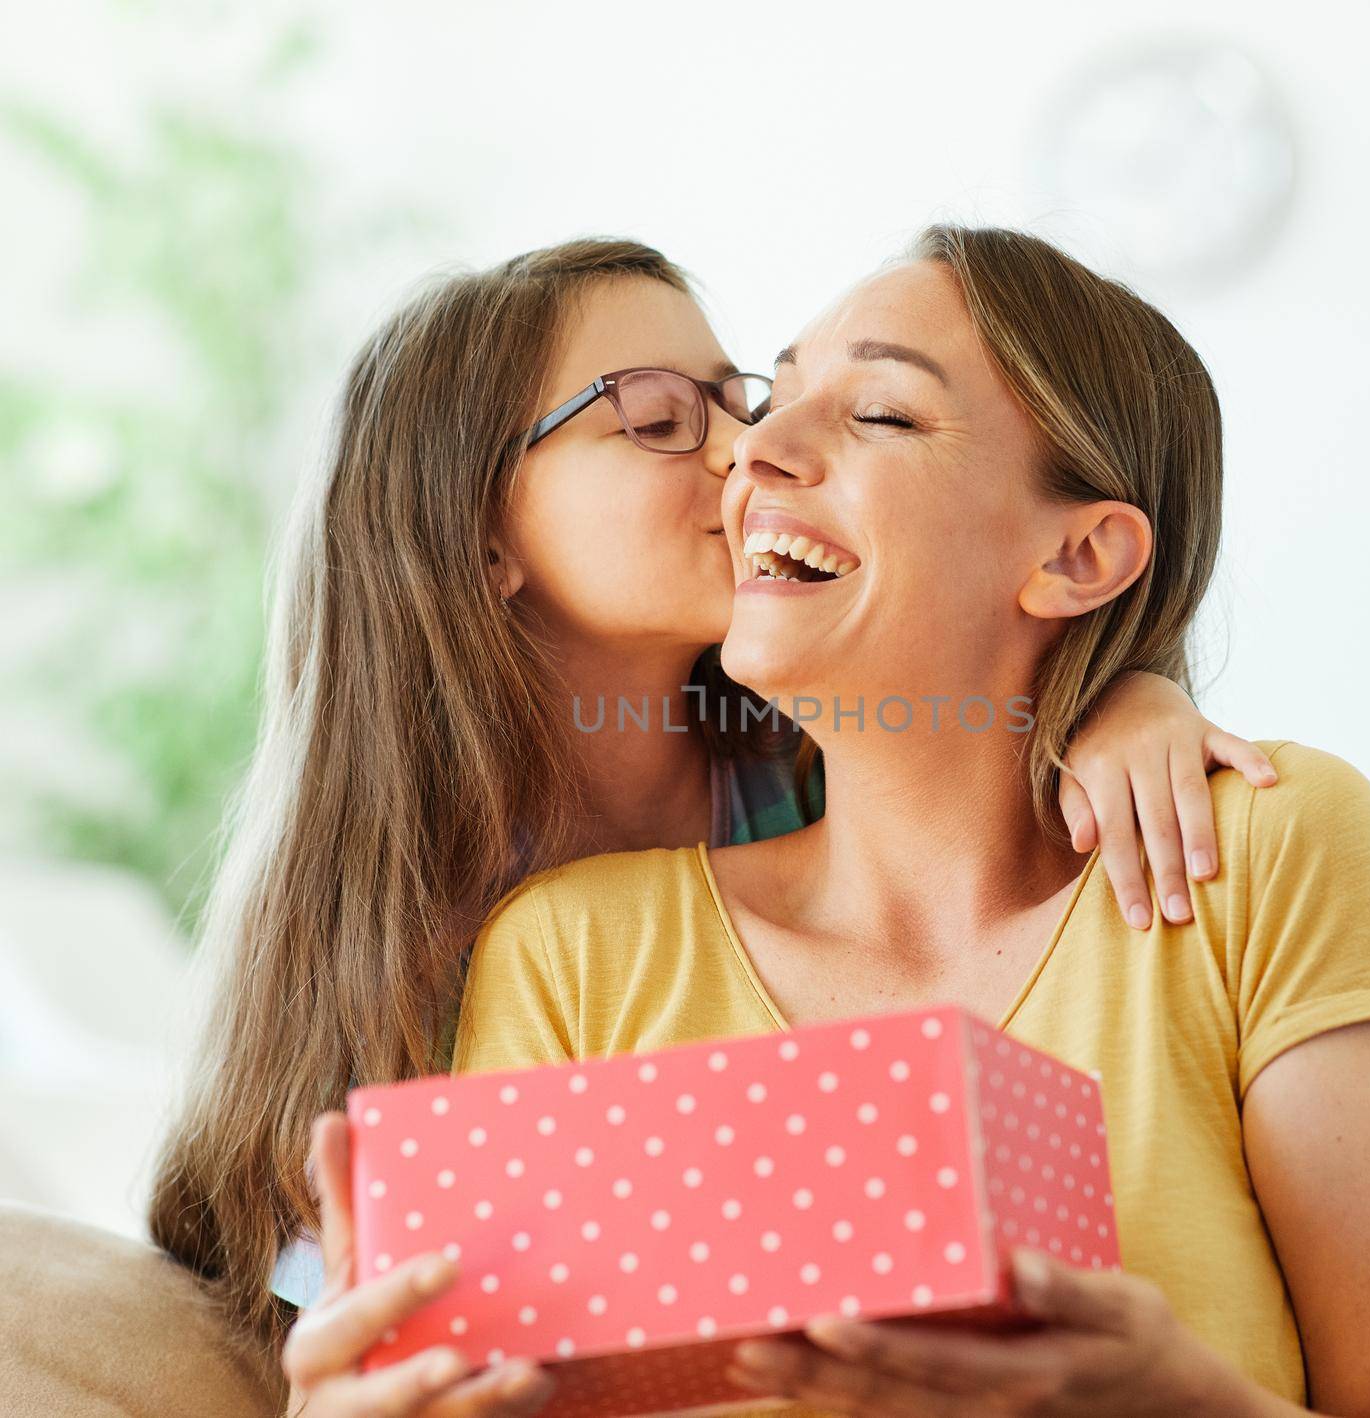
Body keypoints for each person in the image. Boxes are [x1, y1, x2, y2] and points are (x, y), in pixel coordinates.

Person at [145, 237, 1272, 1417]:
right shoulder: (413, 978)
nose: (752, 453)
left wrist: (1116, 694)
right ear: (479, 537)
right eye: (655, 419)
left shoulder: (822, 783)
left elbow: (991, 707)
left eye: (742, 399)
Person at [453, 227, 1370, 1416]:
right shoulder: (568, 955)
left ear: (1079, 553)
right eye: (779, 394)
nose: (753, 453)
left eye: (883, 416)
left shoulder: (1263, 850)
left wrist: (1180, 1401)